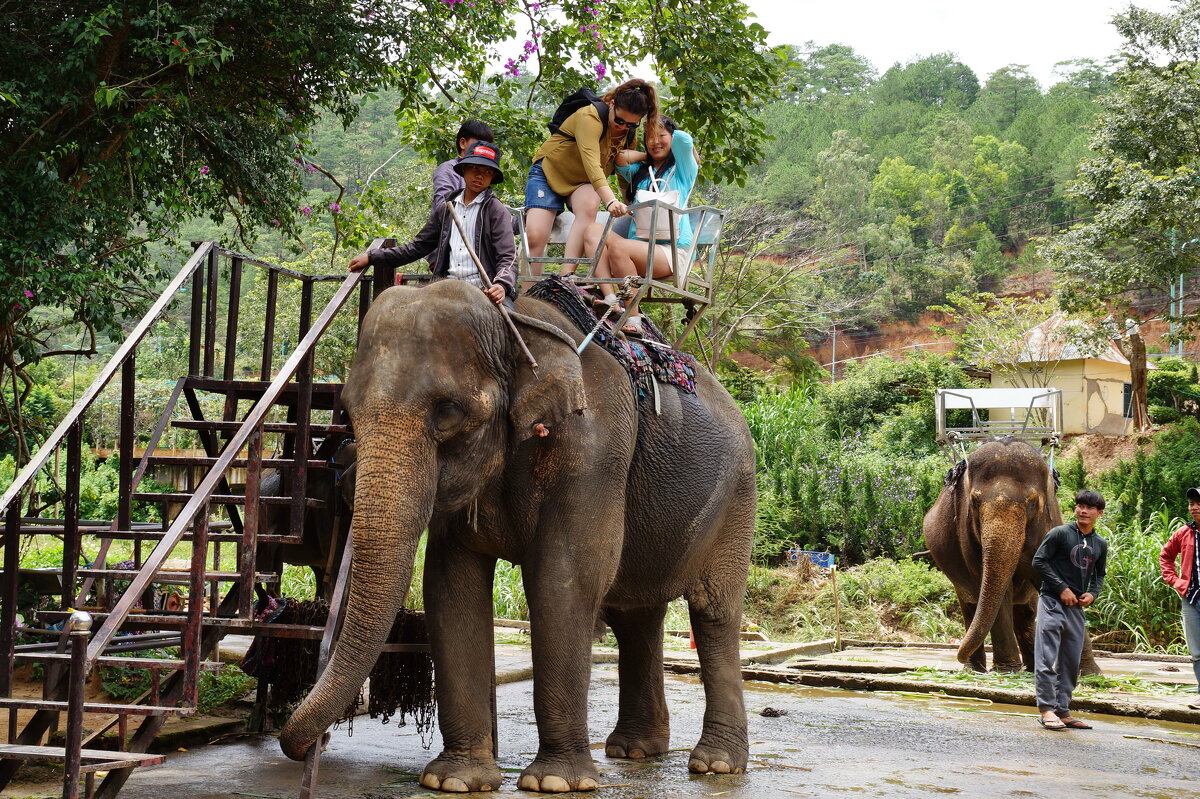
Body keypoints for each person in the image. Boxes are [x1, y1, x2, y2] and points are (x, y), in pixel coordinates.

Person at [348, 141, 516, 308]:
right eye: (475, 168)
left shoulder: (496, 210)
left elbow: (508, 257)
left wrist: (501, 285)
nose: (480, 175)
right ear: (464, 170)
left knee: (509, 327)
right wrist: (372, 257)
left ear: (493, 177)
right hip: (446, 287)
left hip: (483, 289)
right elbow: (416, 247)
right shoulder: (447, 208)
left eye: (487, 171)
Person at [582, 115, 699, 335]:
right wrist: (650, 153)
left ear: (671, 137)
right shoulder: (642, 173)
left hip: (671, 252)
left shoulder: (683, 170)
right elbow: (620, 158)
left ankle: (633, 317)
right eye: (650, 137)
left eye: (661, 136)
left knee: (619, 246)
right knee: (592, 230)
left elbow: (684, 140)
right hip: (638, 249)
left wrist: (656, 119)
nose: (655, 141)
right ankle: (609, 299)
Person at [524, 79, 659, 268]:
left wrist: (628, 203)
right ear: (612, 105)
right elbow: (592, 164)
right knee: (535, 236)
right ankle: (529, 294)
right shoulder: (590, 116)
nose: (623, 127)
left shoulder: (628, 133)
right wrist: (610, 201)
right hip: (548, 172)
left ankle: (566, 279)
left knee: (590, 203)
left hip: (582, 184)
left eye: (631, 124)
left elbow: (621, 170)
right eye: (619, 120)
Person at [1032, 489, 1109, 731]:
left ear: (1099, 513)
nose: (1084, 510)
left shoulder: (1100, 543)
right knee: (1046, 657)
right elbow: (1039, 561)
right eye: (1080, 506)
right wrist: (1061, 587)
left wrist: (1093, 594)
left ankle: (1063, 710)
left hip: (1076, 607)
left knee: (1070, 660)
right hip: (1052, 601)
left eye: (1090, 507)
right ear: (1075, 508)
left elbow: (1099, 574)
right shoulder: (1060, 534)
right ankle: (1046, 709)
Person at [1159, 487, 1200, 711]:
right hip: (1191, 598)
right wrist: (1174, 580)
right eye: (1192, 503)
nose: (1194, 507)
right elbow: (1166, 555)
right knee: (1197, 652)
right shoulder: (1184, 532)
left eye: (1198, 503)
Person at [431, 120, 495, 213]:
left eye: (487, 146)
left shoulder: (486, 172)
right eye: (479, 144)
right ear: (463, 143)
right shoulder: (448, 170)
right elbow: (443, 209)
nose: (482, 149)